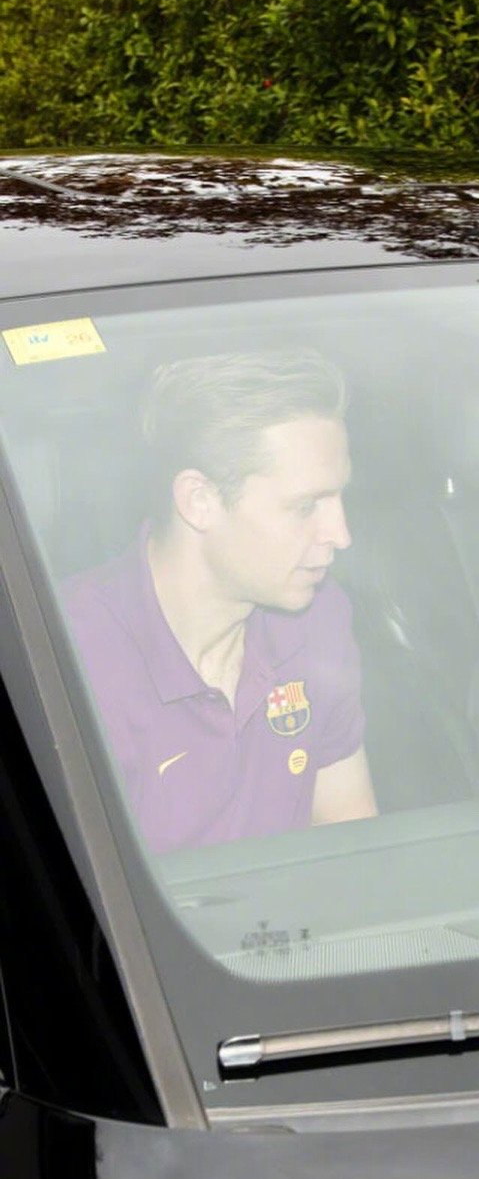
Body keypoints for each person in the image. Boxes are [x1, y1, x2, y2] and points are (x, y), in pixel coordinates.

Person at [64, 349, 377, 852]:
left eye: (339, 498)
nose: (341, 535)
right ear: (199, 501)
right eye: (305, 506)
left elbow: (349, 832)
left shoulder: (319, 618)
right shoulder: (68, 660)